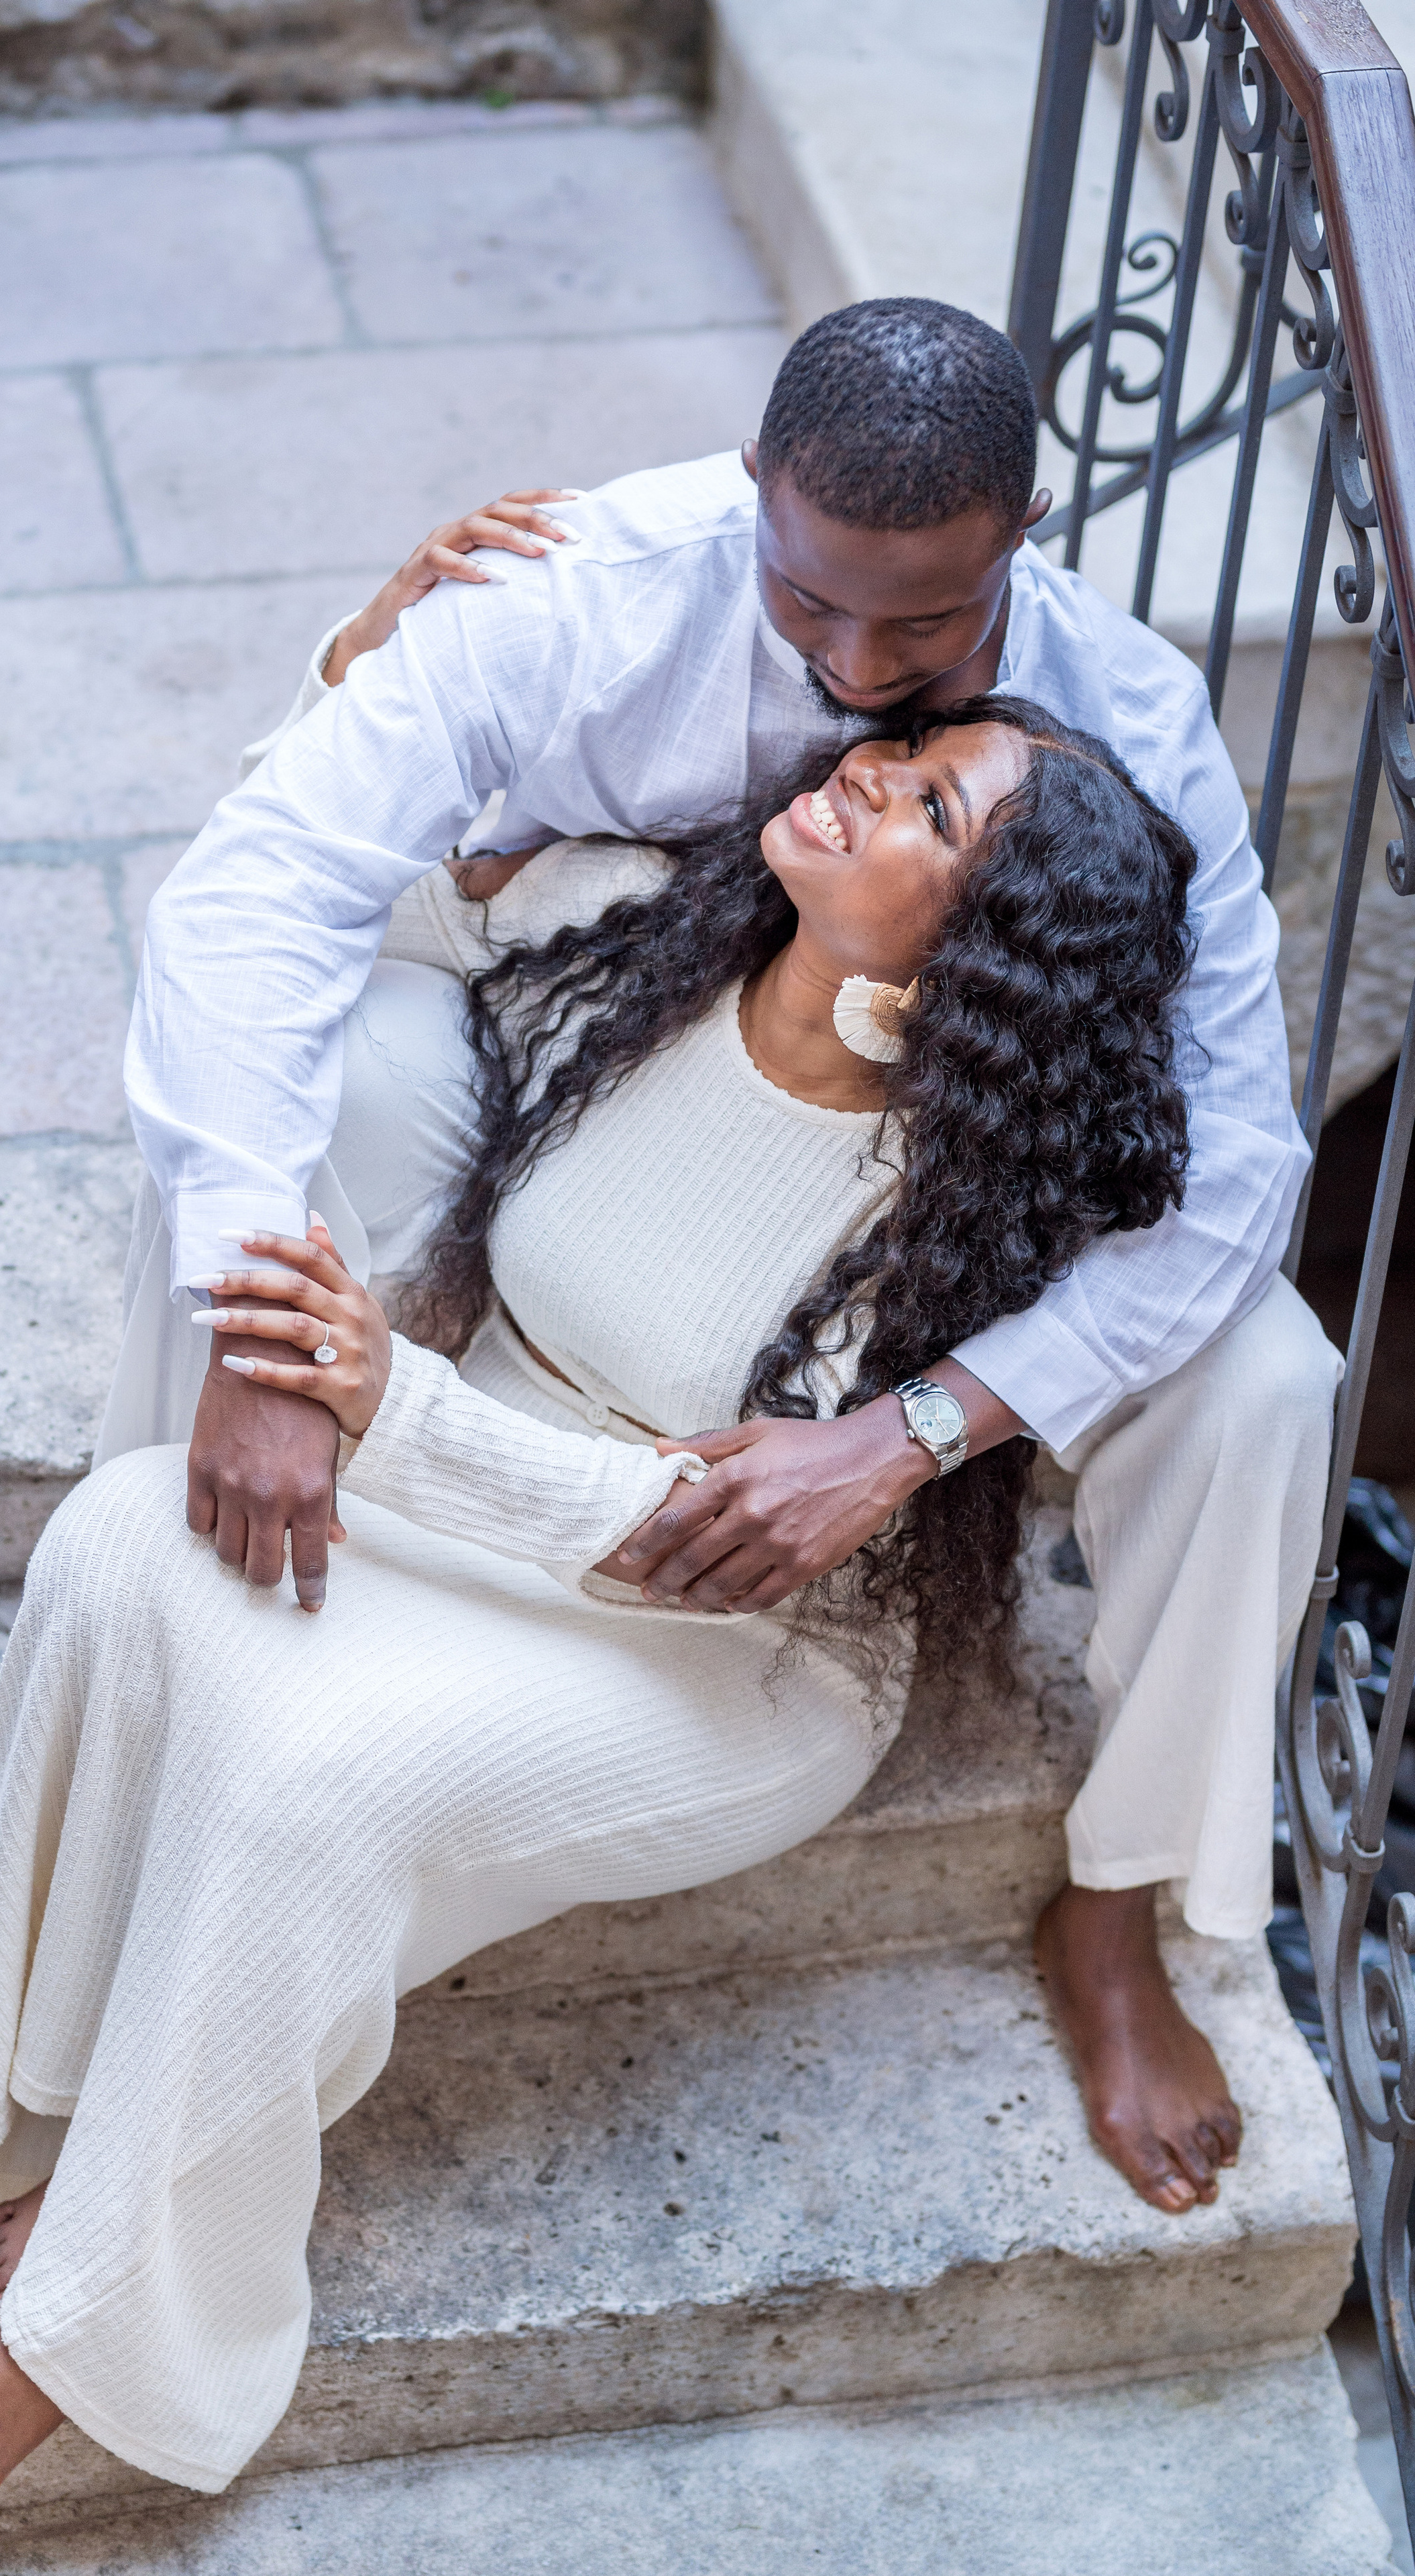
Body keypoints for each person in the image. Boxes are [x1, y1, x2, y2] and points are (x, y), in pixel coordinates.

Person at [0, 688, 1239, 2538]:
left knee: (310, 1786)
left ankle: (82, 2348)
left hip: (724, 1654)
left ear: (983, 959)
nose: (869, 775)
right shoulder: (658, 939)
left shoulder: (948, 1207)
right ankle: (97, 2137)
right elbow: (312, 884)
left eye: (934, 813)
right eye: (902, 755)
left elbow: (709, 1541)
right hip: (486, 1490)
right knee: (115, 1539)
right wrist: (374, 654)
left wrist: (383, 1404)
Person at [107, 299, 1338, 2222]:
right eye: (807, 602)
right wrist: (259, 1334)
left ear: (1025, 529)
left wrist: (917, 1427)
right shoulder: (582, 585)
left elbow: (1242, 1152)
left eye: (924, 632)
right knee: (311, 1090)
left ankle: (1127, 1898)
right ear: (754, 486)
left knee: (1268, 1376)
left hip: (910, 1181)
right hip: (573, 1036)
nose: (856, 674)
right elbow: (260, 888)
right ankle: (221, 1524)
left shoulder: (1134, 713)